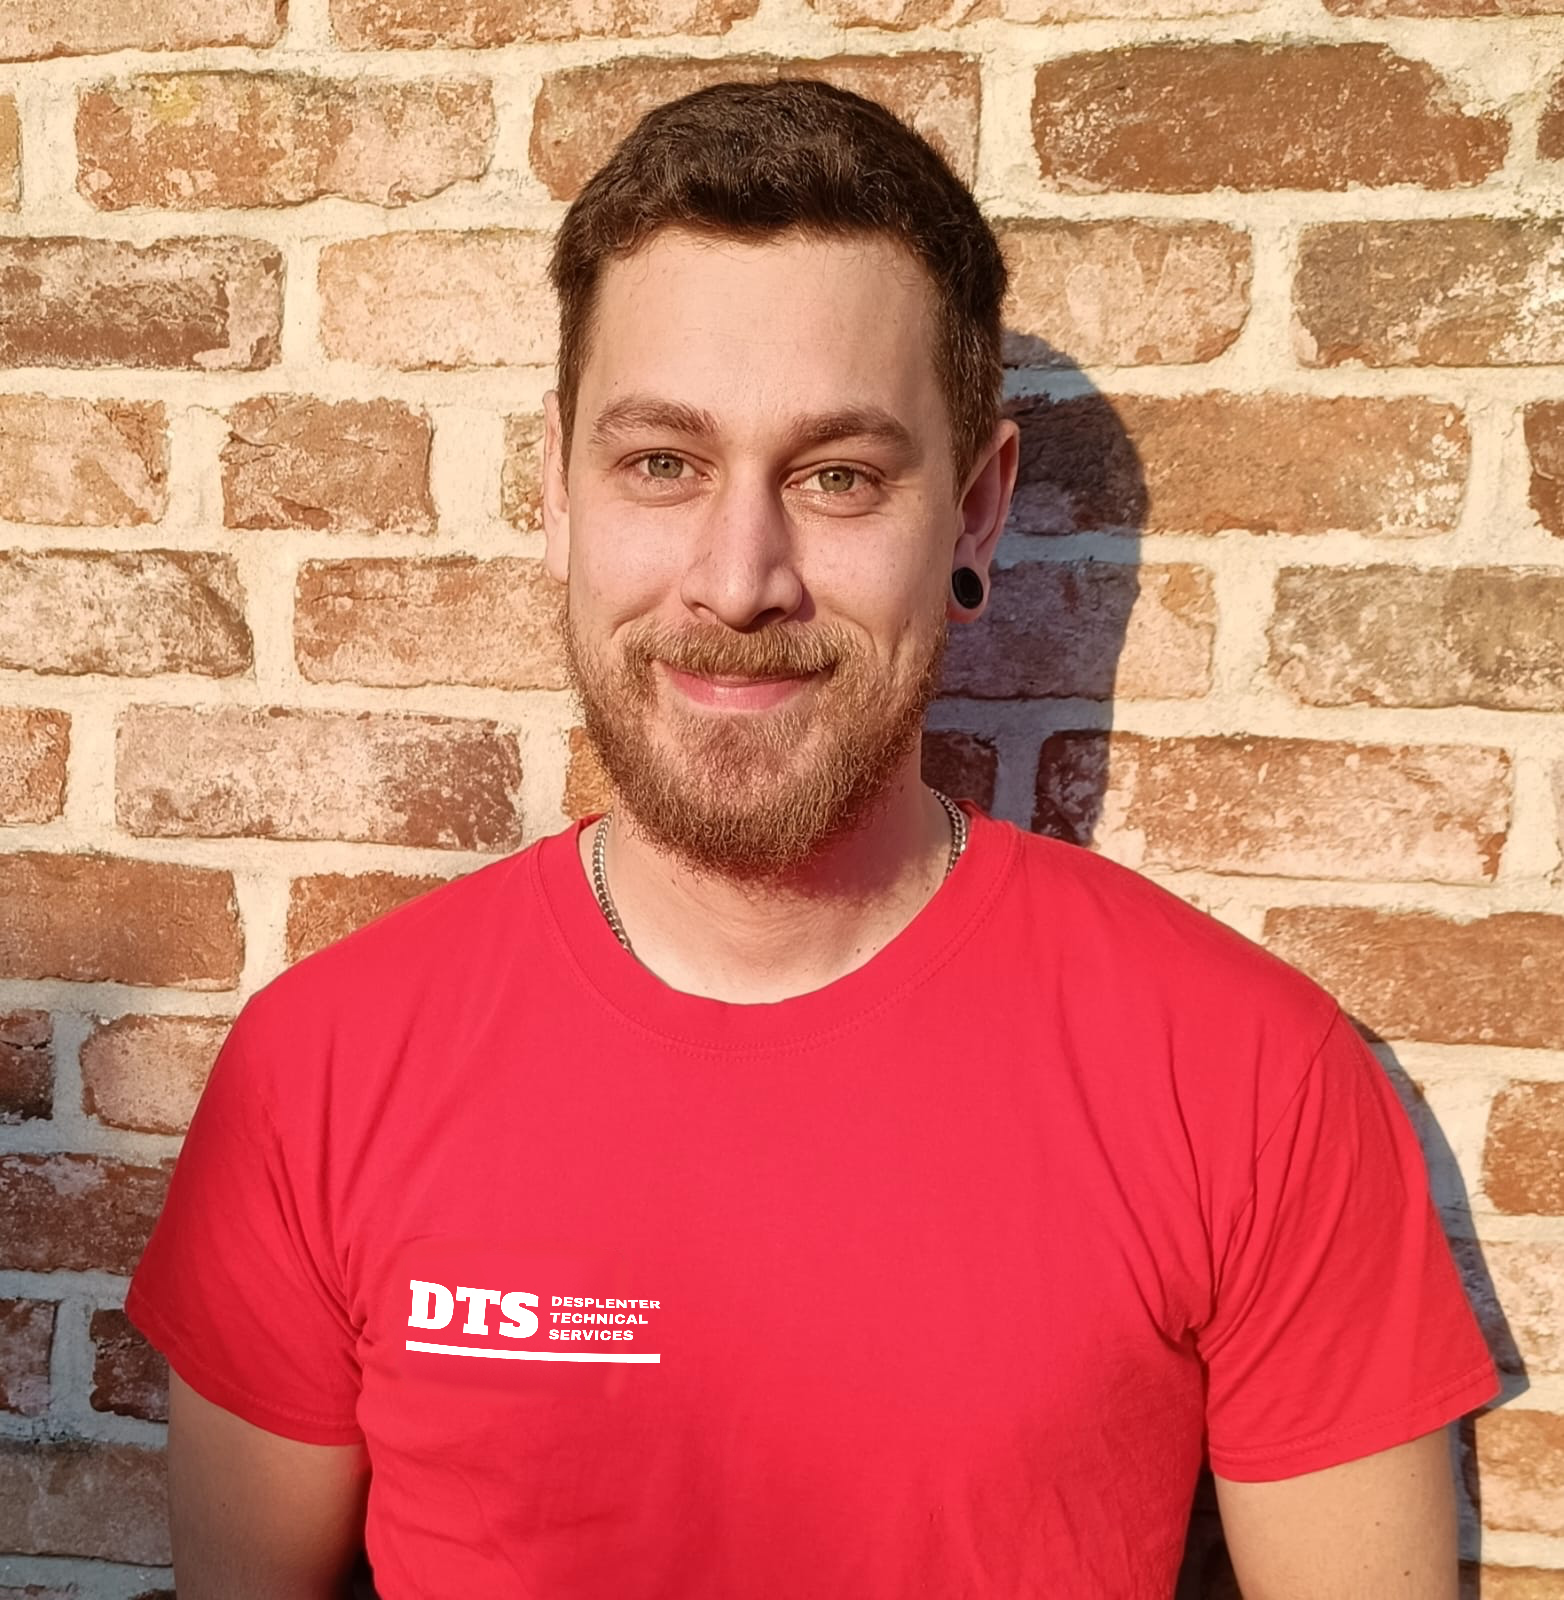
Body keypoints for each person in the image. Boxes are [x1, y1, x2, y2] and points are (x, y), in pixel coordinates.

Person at [127, 79, 1499, 1599]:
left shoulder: (1245, 1079)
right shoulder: (321, 1074)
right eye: (662, 463)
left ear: (973, 514)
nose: (739, 579)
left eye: (839, 476)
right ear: (557, 494)